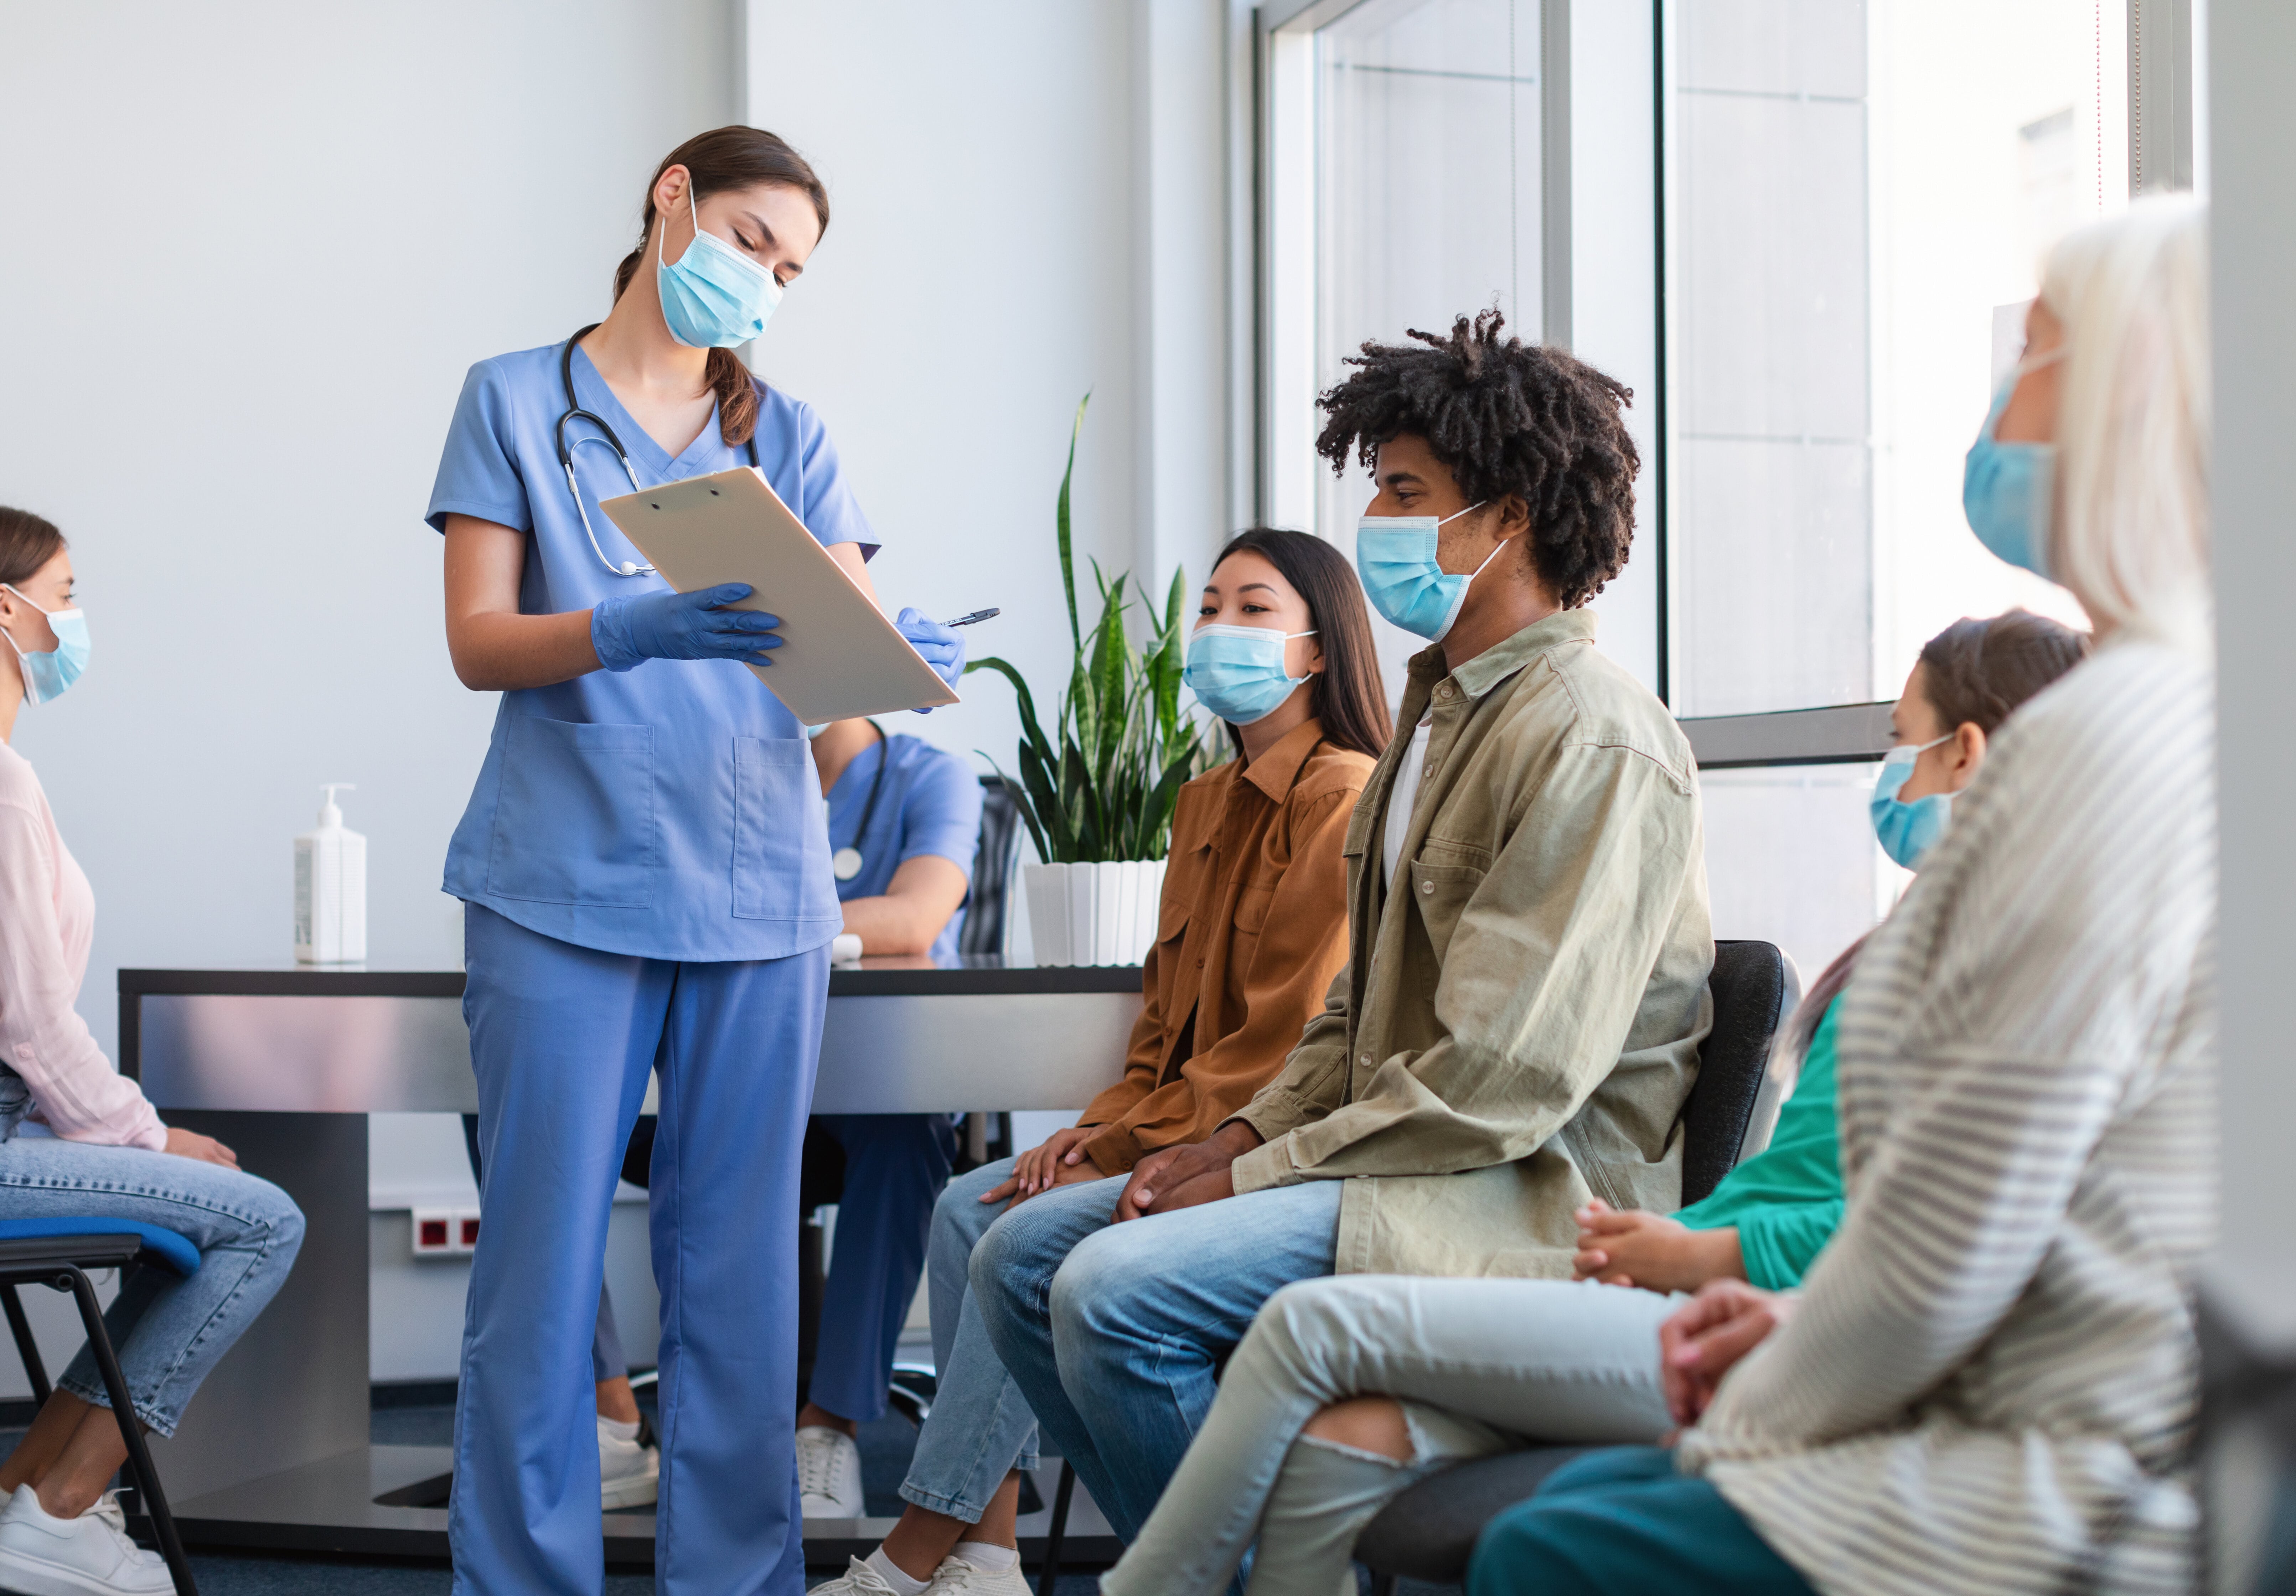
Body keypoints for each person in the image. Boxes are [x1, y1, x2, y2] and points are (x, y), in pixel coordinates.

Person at [1471, 194, 2214, 1596]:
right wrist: (1794, 1329)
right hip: (2039, 1396)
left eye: (2039, 349)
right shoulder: (2179, 715)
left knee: (1548, 1551)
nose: (2004, 390)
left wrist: (1771, 1392)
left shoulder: (2107, 747)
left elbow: (1966, 1230)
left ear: (2131, 399)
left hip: (2066, 1473)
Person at [1093, 606, 2088, 1596]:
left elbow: (1931, 1230)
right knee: (1336, 1443)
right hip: (1690, 1277)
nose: (1892, 772)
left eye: (1898, 740)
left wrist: (1698, 1254)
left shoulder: (2020, 970)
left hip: (1769, 1315)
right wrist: (1685, 1249)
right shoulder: (1932, 934)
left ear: (1964, 753)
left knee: (1308, 1331)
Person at [969, 310, 1714, 1550]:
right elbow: (1355, 1013)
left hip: (1510, 1193)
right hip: (1402, 1157)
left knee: (1103, 1291)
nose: (1376, 523)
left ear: (1507, 519)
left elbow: (1499, 1078)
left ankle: (1219, 1571)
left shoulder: (1590, 736)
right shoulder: (1432, 721)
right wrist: (1248, 1129)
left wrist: (1247, 1169)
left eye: (1407, 492)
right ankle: (1232, 1567)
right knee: (1016, 1256)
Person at [428, 126, 965, 1596]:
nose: (764, 284)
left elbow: (837, 665)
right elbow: (480, 639)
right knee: (538, 1279)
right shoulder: (517, 402)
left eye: (788, 270)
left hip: (757, 893)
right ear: (672, 198)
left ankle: (736, 1578)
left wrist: (899, 662)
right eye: (748, 242)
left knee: (735, 1288)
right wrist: (626, 626)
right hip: (563, 886)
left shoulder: (785, 433)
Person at [813, 527, 1390, 1596]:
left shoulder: (1342, 796)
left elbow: (1284, 1042)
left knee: (1006, 1224)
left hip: (1261, 1151)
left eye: (1254, 609)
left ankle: (915, 1558)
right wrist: (1096, 1129)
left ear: (1319, 651)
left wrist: (1124, 1146)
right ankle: (986, 1555)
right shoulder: (1203, 802)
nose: (1218, 627)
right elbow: (1163, 1027)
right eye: (1210, 605)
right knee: (964, 1204)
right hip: (1171, 1125)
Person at [0, 509, 306, 1596]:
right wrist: (150, 1135)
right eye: (68, 593)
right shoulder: (3, 784)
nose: (78, 621)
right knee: (264, 1218)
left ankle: (23, 1503)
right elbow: (30, 1022)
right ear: (10, 609)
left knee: (187, 1222)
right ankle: (66, 1512)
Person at [796, 715, 982, 1515]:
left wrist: (742, 922)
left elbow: (914, 919)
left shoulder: (931, 775)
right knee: (498, 1097)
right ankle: (607, 1408)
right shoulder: (715, 757)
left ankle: (825, 1428)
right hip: (733, 1072)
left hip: (871, 1090)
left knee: (908, 1133)